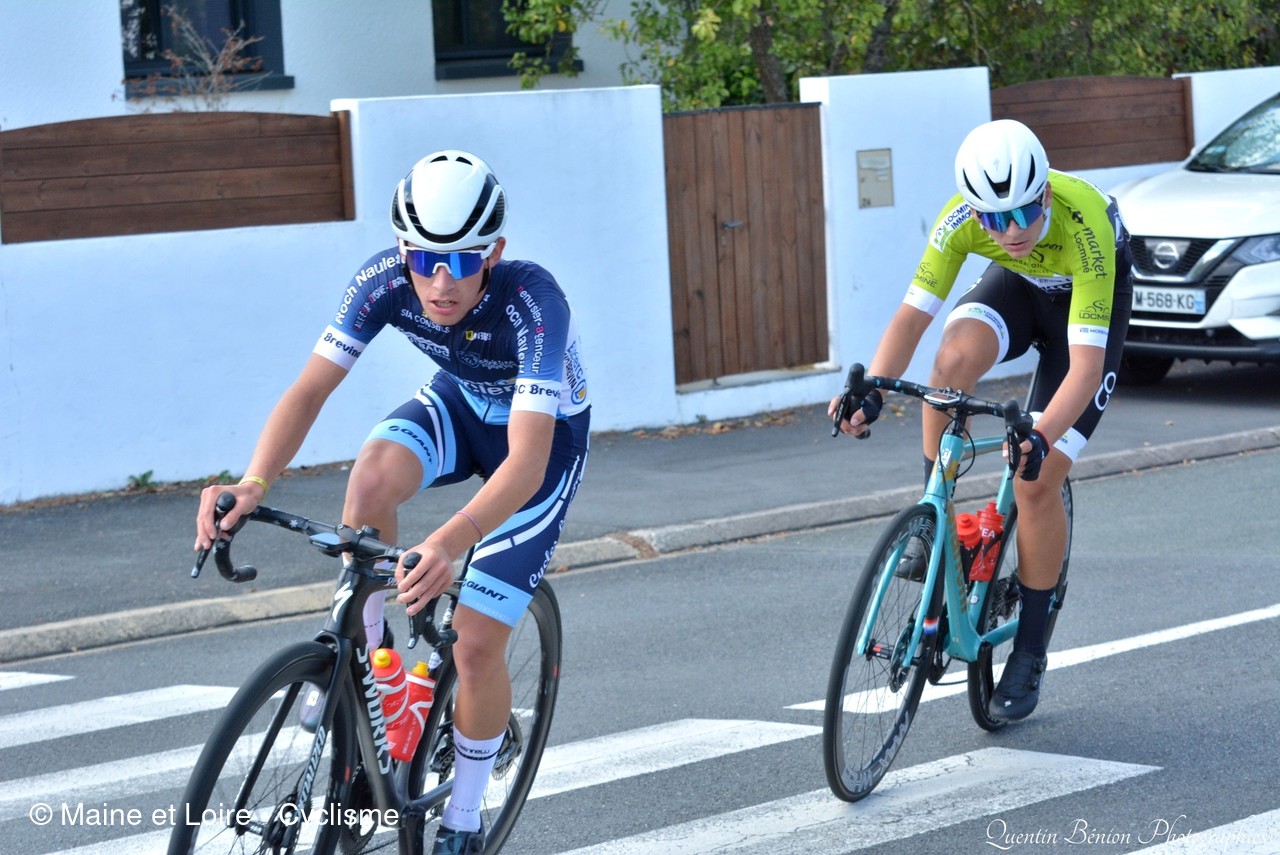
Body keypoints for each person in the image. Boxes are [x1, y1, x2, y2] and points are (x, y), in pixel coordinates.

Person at [194, 149, 590, 853]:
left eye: (462, 262)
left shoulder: (535, 302)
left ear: (494, 253)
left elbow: (527, 463)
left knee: (475, 641)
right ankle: (382, 689)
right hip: (461, 405)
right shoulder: (382, 280)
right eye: (424, 260)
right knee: (370, 480)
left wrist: (447, 541)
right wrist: (253, 482)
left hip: (541, 441)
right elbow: (309, 389)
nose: (441, 283)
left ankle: (463, 820)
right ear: (403, 251)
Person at [829, 119, 1132, 721]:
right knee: (950, 363)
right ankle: (932, 519)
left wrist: (1040, 437)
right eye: (994, 219)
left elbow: (1085, 368)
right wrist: (870, 390)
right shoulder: (960, 221)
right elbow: (912, 318)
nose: (1012, 230)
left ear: (1046, 193)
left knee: (1035, 480)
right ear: (973, 212)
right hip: (1019, 290)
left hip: (1086, 308)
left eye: (1024, 212)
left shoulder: (1085, 226)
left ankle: (1030, 648)